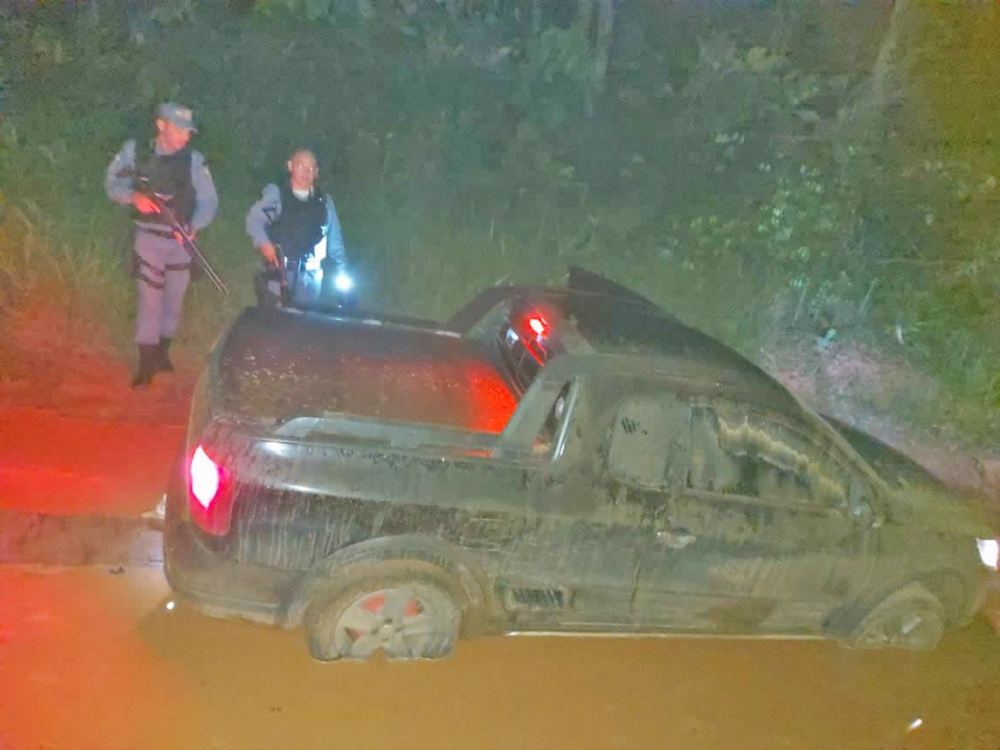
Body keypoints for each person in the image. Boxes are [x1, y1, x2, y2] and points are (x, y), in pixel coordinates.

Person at [105, 102, 219, 388]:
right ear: (161, 125)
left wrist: (195, 226)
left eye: (188, 131)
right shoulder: (136, 151)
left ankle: (162, 353)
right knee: (149, 299)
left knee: (174, 299)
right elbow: (112, 184)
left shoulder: (194, 160)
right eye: (179, 129)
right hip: (148, 236)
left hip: (181, 239)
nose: (185, 136)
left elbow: (208, 201)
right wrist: (134, 198)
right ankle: (145, 364)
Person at [245, 148, 348, 309]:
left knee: (301, 328)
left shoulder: (325, 202)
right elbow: (254, 220)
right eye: (301, 167)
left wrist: (342, 272)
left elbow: (335, 242)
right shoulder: (276, 195)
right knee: (274, 324)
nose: (306, 173)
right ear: (290, 166)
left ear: (316, 172)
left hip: (310, 280)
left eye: (311, 169)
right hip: (279, 274)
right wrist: (264, 244)